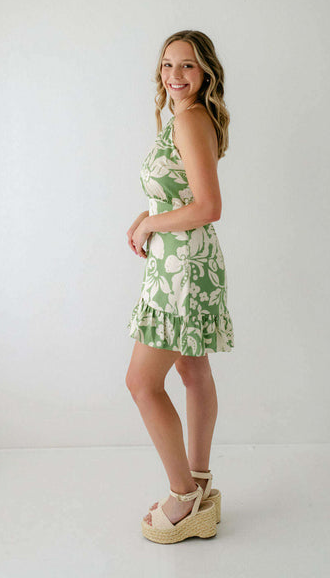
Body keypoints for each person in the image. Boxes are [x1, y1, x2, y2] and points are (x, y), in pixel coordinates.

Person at [125, 30, 234, 544]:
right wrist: (148, 214)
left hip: (182, 271)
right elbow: (186, 194)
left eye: (187, 65)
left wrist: (152, 224)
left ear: (205, 72)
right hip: (185, 262)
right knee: (192, 371)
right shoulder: (189, 118)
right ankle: (200, 483)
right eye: (168, 64)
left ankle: (183, 496)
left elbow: (209, 206)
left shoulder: (190, 120)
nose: (174, 75)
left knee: (141, 383)